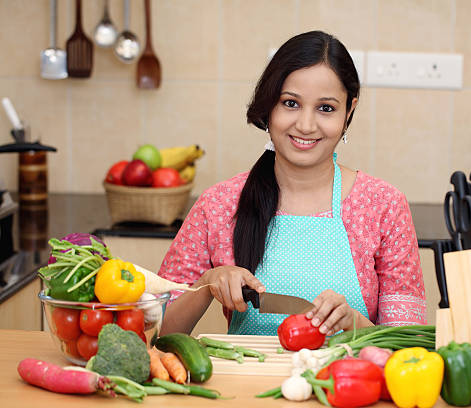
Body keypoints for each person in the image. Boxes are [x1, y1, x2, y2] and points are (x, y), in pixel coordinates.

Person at [158, 30, 426, 337]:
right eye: (290, 103)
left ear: (348, 111)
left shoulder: (383, 205)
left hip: (349, 383)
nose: (306, 125)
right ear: (269, 105)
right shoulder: (219, 204)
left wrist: (355, 323)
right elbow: (157, 332)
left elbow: (411, 347)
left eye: (326, 108)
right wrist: (206, 284)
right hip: (248, 385)